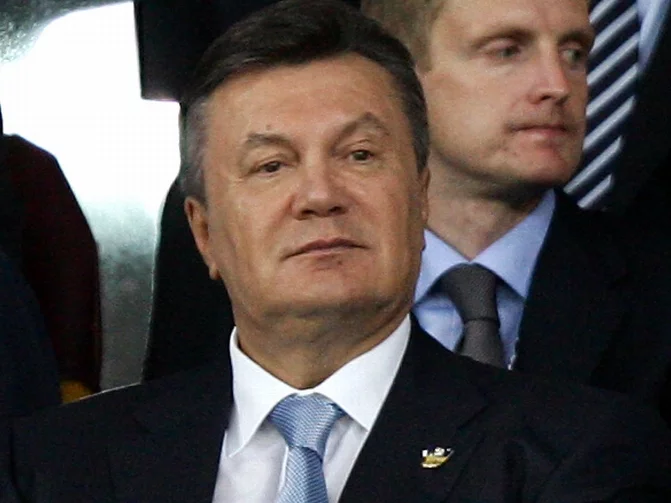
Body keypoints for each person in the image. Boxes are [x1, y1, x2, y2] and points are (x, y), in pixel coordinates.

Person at [5, 1, 671, 501]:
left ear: (418, 197)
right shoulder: (52, 464)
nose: (320, 195)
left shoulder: (576, 450)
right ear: (203, 234)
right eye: (271, 165)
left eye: (359, 155)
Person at [361, 0, 671, 423]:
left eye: (574, 54)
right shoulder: (302, 287)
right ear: (396, 76)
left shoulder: (655, 295)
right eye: (507, 51)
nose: (558, 85)